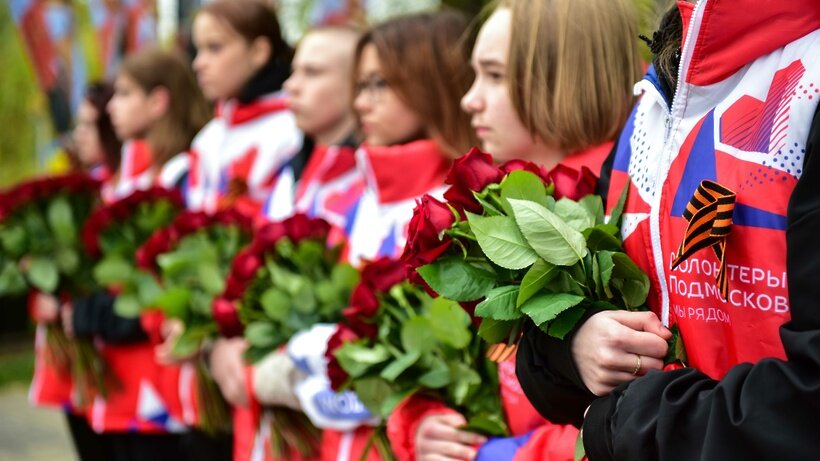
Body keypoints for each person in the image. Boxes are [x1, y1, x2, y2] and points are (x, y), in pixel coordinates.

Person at [515, 1, 820, 459]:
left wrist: (627, 423)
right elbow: (553, 352)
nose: (467, 99)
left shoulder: (808, 79)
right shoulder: (655, 103)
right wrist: (576, 347)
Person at [387, 0, 643, 460]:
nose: (470, 99)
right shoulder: (494, 209)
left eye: (494, 75)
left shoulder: (628, 215)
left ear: (565, 77)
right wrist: (422, 423)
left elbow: (651, 419)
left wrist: (512, 455)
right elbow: (457, 365)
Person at [280, 10, 478, 461]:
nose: (361, 103)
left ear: (434, 83)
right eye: (360, 86)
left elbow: (442, 356)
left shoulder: (460, 206)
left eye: (379, 85)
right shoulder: (358, 197)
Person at [205, 25, 363, 461]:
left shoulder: (369, 187)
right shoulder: (285, 178)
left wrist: (277, 373)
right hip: (261, 428)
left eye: (312, 73)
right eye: (293, 71)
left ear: (357, 85)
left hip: (328, 430)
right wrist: (218, 348)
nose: (291, 85)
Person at [64, 47, 210, 461]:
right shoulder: (142, 177)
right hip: (125, 381)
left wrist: (95, 316)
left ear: (159, 101)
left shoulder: (182, 176)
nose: (112, 107)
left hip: (163, 384)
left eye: (124, 93)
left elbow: (161, 288)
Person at [28, 81, 122, 461]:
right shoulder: (75, 192)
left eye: (89, 125)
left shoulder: (125, 192)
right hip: (79, 353)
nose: (78, 135)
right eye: (78, 125)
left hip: (116, 358)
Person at [186, 0, 301, 216]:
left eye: (214, 48)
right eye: (198, 50)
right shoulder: (208, 137)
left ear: (258, 52)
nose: (199, 63)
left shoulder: (292, 130)